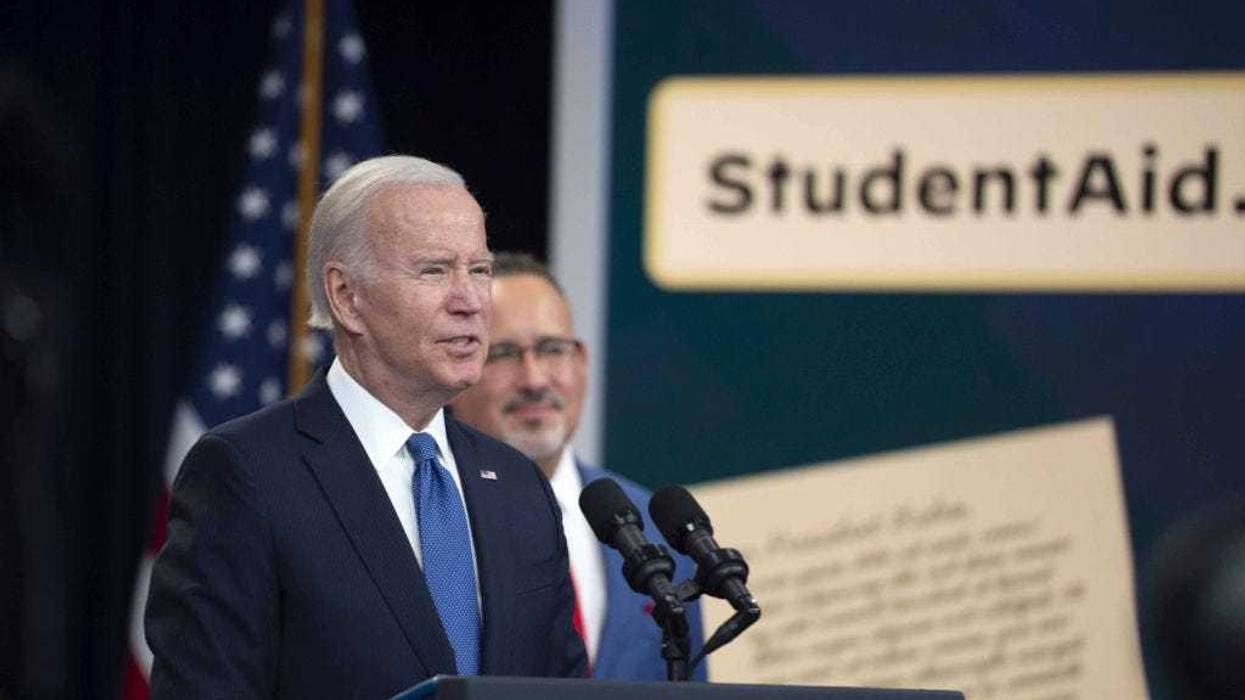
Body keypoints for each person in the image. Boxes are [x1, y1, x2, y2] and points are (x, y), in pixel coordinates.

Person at [144, 157, 587, 699]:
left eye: (479, 269)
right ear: (347, 297)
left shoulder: (519, 486)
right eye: (434, 270)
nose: (471, 301)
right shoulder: (247, 474)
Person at [449, 252, 707, 681]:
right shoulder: (426, 522)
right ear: (457, 373)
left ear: (582, 363)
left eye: (552, 350)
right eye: (505, 353)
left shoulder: (656, 529)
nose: (534, 379)